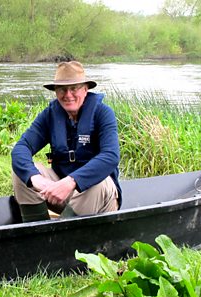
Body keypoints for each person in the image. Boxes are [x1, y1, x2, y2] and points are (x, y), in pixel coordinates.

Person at [11, 61, 122, 222]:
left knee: (98, 183)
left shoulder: (103, 114)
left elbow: (111, 156)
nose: (68, 94)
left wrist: (71, 182)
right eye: (62, 89)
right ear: (55, 92)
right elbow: (22, 148)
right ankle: (37, 231)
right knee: (23, 172)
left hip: (100, 199)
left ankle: (64, 238)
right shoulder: (50, 115)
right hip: (61, 195)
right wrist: (36, 179)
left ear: (85, 89)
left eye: (74, 88)